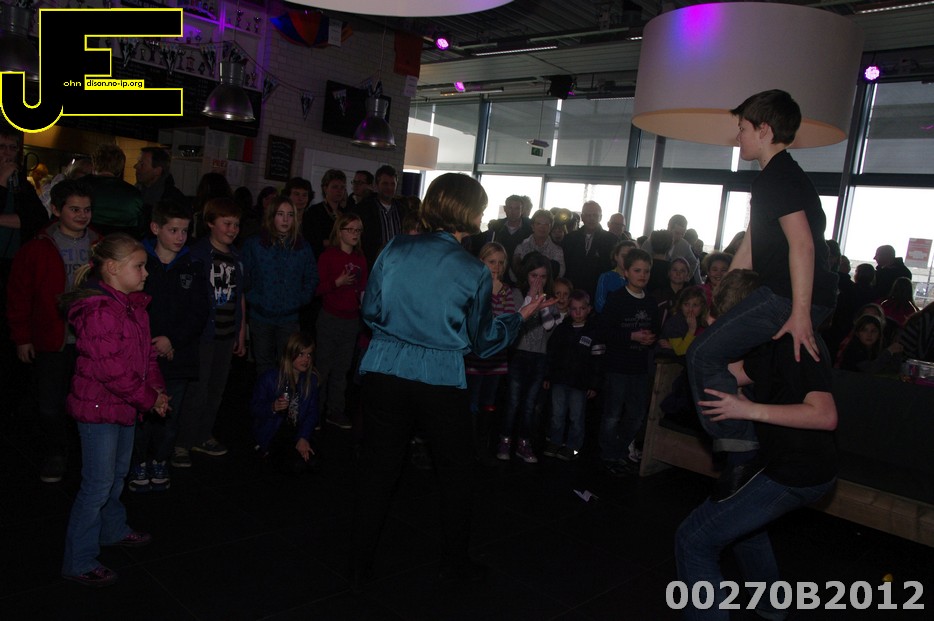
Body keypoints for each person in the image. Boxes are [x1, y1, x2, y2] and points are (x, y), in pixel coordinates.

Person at [352, 173, 552, 588]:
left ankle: (359, 565)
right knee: (457, 473)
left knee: (377, 471)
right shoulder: (472, 269)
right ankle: (454, 563)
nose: (483, 213)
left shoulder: (395, 247)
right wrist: (520, 317)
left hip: (384, 370)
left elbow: (370, 311)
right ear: (465, 210)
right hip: (439, 378)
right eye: (480, 206)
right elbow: (484, 341)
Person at [685, 90, 837, 500]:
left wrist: (800, 312)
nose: (738, 137)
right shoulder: (776, 177)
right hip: (788, 294)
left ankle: (742, 449)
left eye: (743, 128)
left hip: (788, 296)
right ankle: (747, 440)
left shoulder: (778, 177)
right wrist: (720, 307)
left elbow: (803, 246)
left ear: (764, 130)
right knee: (729, 359)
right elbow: (749, 250)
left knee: (701, 355)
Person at [675, 268, 838, 621]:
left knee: (694, 541)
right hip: (788, 466)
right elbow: (734, 374)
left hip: (795, 472)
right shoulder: (771, 342)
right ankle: (770, 604)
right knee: (746, 529)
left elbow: (825, 415)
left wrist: (747, 409)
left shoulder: (795, 344)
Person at [59, 233, 169, 587]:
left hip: (125, 405)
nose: (146, 273)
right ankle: (78, 560)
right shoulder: (98, 311)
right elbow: (112, 371)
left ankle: (112, 529)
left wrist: (157, 390)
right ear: (112, 268)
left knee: (118, 474)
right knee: (97, 484)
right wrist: (149, 399)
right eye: (139, 267)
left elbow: (146, 356)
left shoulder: (133, 306)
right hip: (99, 410)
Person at [7, 179, 98, 483]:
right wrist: (22, 337)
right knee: (49, 403)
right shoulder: (38, 246)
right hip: (52, 338)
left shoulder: (99, 245)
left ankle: (85, 454)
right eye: (75, 209)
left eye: (86, 209)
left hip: (90, 340)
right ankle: (56, 452)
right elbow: (20, 296)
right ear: (57, 210)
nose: (82, 215)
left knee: (87, 401)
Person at [129, 200, 209, 493]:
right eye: (173, 230)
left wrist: (172, 340)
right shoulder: (140, 262)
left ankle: (160, 459)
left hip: (178, 355)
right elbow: (132, 306)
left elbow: (198, 312)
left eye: (184, 231)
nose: (180, 237)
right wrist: (152, 343)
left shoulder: (193, 265)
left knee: (169, 411)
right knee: (142, 411)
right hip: (142, 353)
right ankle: (138, 461)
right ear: (155, 228)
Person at [173, 197, 246, 467]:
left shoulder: (236, 257)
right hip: (203, 335)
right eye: (227, 223)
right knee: (197, 390)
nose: (232, 229)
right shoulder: (197, 255)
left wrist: (240, 331)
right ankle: (182, 442)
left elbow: (239, 296)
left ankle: (203, 434)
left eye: (236, 224)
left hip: (226, 334)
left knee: (216, 389)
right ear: (210, 224)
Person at [598, 248, 660, 476]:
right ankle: (609, 455)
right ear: (626, 272)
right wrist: (631, 336)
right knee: (612, 415)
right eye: (637, 270)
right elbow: (604, 331)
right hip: (617, 366)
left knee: (636, 416)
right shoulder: (617, 299)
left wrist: (651, 338)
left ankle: (619, 450)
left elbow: (655, 329)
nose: (642, 275)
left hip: (639, 366)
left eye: (646, 271)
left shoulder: (651, 302)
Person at [241, 195, 318, 378]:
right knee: (263, 366)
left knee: (289, 365)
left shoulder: (302, 247)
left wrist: (299, 299)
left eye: (290, 215)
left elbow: (312, 277)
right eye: (280, 214)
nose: (285, 219)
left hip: (289, 317)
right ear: (271, 216)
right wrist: (255, 299)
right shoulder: (255, 244)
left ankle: (285, 396)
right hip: (261, 315)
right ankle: (266, 397)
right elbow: (244, 276)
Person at [497, 252, 561, 464]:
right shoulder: (517, 294)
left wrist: (542, 302)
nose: (538, 281)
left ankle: (524, 443)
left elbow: (549, 326)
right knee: (513, 401)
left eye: (542, 277)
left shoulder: (549, 298)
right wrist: (531, 298)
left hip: (539, 356)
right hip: (519, 354)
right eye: (534, 276)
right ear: (526, 275)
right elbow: (517, 320)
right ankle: (505, 440)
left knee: (530, 404)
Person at [464, 242, 521, 457]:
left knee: (489, 403)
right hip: (475, 359)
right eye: (491, 262)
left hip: (496, 360)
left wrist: (498, 293)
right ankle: (468, 449)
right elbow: (477, 322)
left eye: (500, 262)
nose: (496, 267)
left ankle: (482, 449)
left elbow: (507, 322)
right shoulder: (473, 287)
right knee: (472, 402)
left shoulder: (506, 290)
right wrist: (490, 293)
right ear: (481, 262)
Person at [315, 212, 367, 430]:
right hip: (330, 318)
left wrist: (363, 305)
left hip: (351, 320)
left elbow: (363, 287)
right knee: (322, 367)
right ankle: (314, 411)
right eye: (351, 230)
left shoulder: (360, 258)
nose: (355, 234)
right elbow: (317, 288)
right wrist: (338, 282)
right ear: (340, 231)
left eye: (358, 230)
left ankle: (335, 411)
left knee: (342, 369)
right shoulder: (328, 256)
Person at [542, 289, 604, 461]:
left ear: (589, 309)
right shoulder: (562, 329)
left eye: (582, 308)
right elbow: (551, 354)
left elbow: (598, 361)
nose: (578, 312)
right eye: (574, 309)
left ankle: (574, 447)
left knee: (576, 417)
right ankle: (555, 441)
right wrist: (547, 376)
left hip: (580, 383)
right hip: (559, 380)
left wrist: (594, 385)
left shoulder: (594, 332)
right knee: (557, 414)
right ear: (569, 310)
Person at [251, 331, 319, 475]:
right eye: (301, 354)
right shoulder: (270, 378)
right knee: (295, 466)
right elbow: (254, 408)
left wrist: (303, 437)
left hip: (296, 431)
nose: (306, 359)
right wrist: (272, 407)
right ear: (290, 354)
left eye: (309, 355)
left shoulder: (310, 381)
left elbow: (312, 413)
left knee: (313, 461)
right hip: (274, 432)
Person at [83, 144, 144, 237]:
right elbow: (140, 228)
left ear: (94, 163)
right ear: (121, 166)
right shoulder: (134, 194)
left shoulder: (80, 186)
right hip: (122, 243)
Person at [351, 165, 406, 267]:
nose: (389, 188)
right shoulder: (364, 210)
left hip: (397, 264)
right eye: (385, 184)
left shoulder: (403, 210)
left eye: (392, 184)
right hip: (372, 264)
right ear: (376, 186)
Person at [562, 200, 617, 300]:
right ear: (582, 217)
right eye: (588, 215)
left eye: (595, 215)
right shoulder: (570, 238)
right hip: (573, 291)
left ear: (600, 217)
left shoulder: (611, 240)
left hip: (599, 291)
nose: (591, 218)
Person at [471, 195, 532, 274]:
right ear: (505, 209)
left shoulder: (530, 229)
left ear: (522, 210)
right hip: (497, 270)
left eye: (517, 208)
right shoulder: (496, 227)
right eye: (510, 208)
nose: (513, 212)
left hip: (520, 273)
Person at [133, 147, 188, 223]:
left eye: (142, 164)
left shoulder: (173, 201)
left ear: (157, 171)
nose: (136, 166)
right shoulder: (135, 192)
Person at [641, 214, 701, 285]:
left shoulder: (684, 245)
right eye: (677, 233)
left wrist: (687, 277)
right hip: (651, 281)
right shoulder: (653, 240)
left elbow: (694, 262)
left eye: (682, 234)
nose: (680, 237)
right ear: (669, 228)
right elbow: (641, 260)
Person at [302, 169, 348, 259]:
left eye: (342, 187)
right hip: (319, 258)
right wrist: (336, 242)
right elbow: (310, 240)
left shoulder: (345, 213)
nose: (339, 191)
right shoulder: (314, 212)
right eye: (335, 187)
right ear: (325, 188)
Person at [836, 313, 903, 374]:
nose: (869, 335)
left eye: (873, 331)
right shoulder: (853, 349)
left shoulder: (877, 349)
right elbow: (870, 369)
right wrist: (889, 352)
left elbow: (891, 370)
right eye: (864, 330)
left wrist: (896, 353)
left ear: (879, 335)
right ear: (857, 333)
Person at [512, 208, 565, 278]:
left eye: (546, 224)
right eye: (538, 223)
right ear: (532, 226)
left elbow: (560, 273)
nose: (542, 227)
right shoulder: (521, 247)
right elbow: (513, 275)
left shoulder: (557, 250)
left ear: (551, 227)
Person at [658, 286, 708, 357]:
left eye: (695, 305)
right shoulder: (674, 323)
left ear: (702, 307)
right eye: (686, 304)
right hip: (670, 359)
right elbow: (680, 351)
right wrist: (691, 330)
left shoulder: (704, 320)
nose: (690, 309)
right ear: (680, 305)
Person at [594, 239, 637, 313]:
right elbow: (599, 304)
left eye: (631, 257)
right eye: (624, 256)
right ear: (616, 256)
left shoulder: (637, 277)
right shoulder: (606, 277)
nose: (627, 260)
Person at [651, 256, 692, 327]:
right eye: (675, 270)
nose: (678, 273)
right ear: (669, 273)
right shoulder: (658, 294)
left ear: (687, 276)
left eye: (682, 271)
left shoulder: (691, 296)